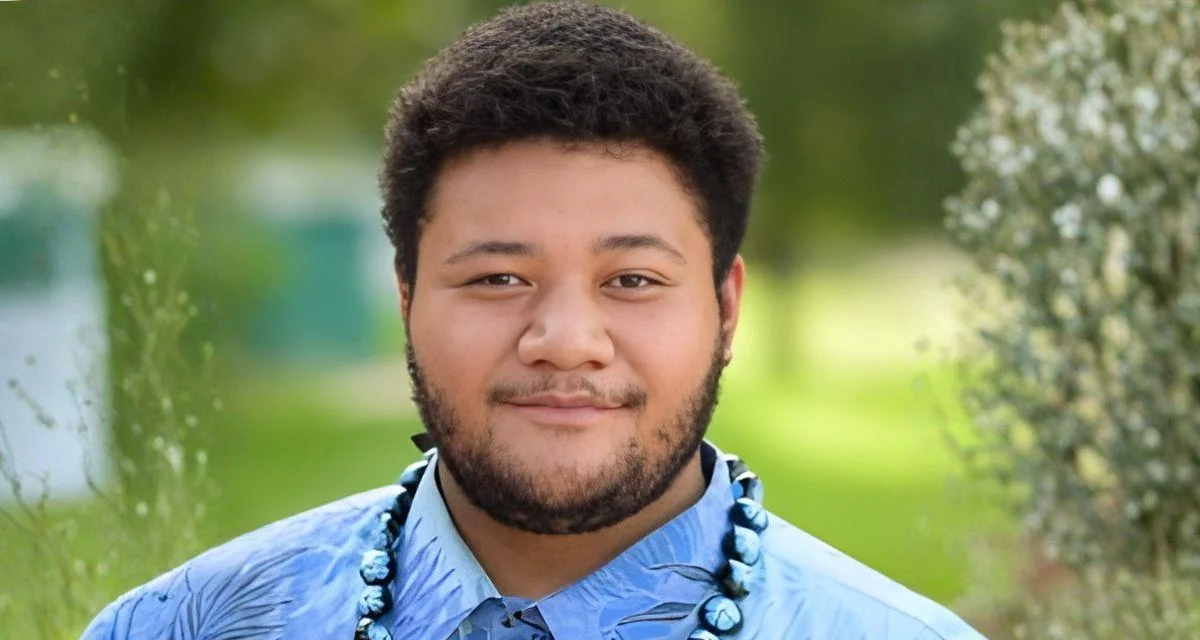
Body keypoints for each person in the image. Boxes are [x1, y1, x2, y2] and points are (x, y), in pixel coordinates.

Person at [82, 2, 987, 638]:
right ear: (405, 298)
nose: (564, 340)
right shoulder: (184, 627)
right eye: (499, 278)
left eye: (631, 279)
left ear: (725, 308)